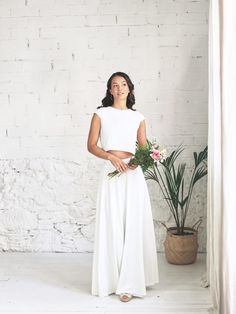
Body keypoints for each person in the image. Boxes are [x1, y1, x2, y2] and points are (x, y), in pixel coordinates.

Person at [87, 72, 159, 302]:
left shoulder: (137, 117)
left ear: (130, 88)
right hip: (111, 173)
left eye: (123, 84)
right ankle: (110, 280)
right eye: (115, 85)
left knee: (132, 224)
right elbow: (91, 145)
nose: (119, 89)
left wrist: (138, 160)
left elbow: (144, 146)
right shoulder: (101, 114)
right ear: (110, 90)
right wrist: (110, 157)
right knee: (113, 223)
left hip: (132, 174)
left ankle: (129, 283)